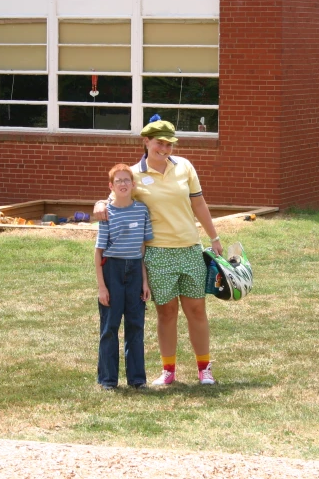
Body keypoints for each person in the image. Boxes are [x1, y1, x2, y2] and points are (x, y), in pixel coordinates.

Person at [94, 116, 223, 386]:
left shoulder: (185, 166)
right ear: (146, 142)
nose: (164, 149)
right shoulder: (135, 174)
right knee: (166, 313)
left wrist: (214, 237)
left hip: (189, 248)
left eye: (169, 145)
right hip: (157, 253)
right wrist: (99, 203)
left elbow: (199, 204)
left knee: (197, 310)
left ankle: (204, 369)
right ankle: (168, 371)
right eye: (159, 144)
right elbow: (116, 197)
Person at [94, 164, 153, 390]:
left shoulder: (141, 210)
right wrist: (102, 287)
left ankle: (137, 378)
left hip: (135, 269)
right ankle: (108, 379)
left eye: (126, 180)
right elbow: (98, 251)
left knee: (135, 325)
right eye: (118, 181)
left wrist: (144, 281)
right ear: (111, 186)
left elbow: (142, 247)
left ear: (133, 184)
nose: (123, 184)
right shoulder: (107, 212)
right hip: (112, 270)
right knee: (110, 326)